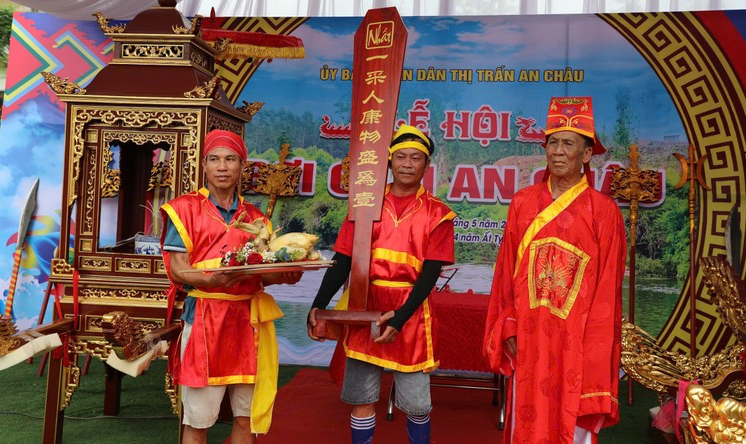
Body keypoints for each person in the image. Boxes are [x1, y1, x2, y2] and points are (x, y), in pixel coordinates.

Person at [484, 97, 626, 444]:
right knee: (527, 421)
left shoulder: (603, 212)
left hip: (575, 339)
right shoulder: (523, 202)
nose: (558, 152)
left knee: (570, 424)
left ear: (587, 153)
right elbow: (506, 273)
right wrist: (510, 324)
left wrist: (594, 348)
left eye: (568, 144)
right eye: (552, 142)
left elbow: (607, 291)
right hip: (530, 337)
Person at [307, 125, 456, 444]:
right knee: (362, 399)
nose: (407, 163)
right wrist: (319, 303)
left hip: (411, 315)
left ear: (426, 165)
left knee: (417, 404)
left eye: (415, 158)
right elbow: (343, 259)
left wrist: (401, 318)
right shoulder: (365, 206)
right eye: (400, 156)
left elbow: (430, 275)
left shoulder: (439, 214)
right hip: (364, 307)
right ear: (389, 162)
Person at [160, 129, 302, 444]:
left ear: (242, 167)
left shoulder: (256, 218)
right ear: (205, 166)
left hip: (249, 323)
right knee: (198, 419)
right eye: (214, 160)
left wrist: (286, 274)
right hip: (205, 321)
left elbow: (261, 274)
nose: (222, 167)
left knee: (246, 416)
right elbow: (178, 268)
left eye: (230, 160)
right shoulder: (184, 209)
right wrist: (211, 280)